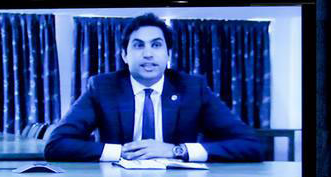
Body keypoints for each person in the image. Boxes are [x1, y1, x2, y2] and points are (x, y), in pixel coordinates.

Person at [45, 13, 266, 162]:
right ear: (125, 55)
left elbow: (251, 145)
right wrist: (121, 152)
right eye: (138, 45)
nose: (148, 54)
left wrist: (176, 150)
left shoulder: (192, 88)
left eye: (156, 45)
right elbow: (56, 144)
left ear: (168, 55)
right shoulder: (103, 88)